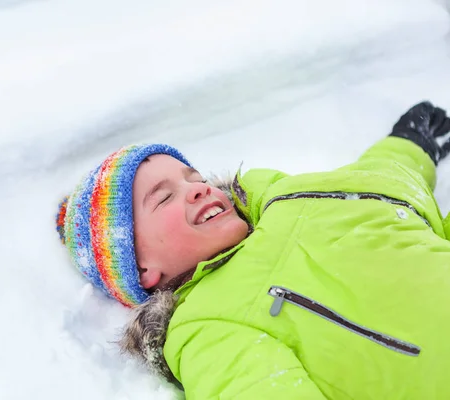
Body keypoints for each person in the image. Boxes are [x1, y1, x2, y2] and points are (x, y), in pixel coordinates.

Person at [56, 101, 450, 399]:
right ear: (144, 270)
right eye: (164, 199)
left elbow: (375, 182)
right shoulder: (205, 326)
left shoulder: (280, 197)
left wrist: (410, 146)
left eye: (192, 176)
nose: (198, 187)